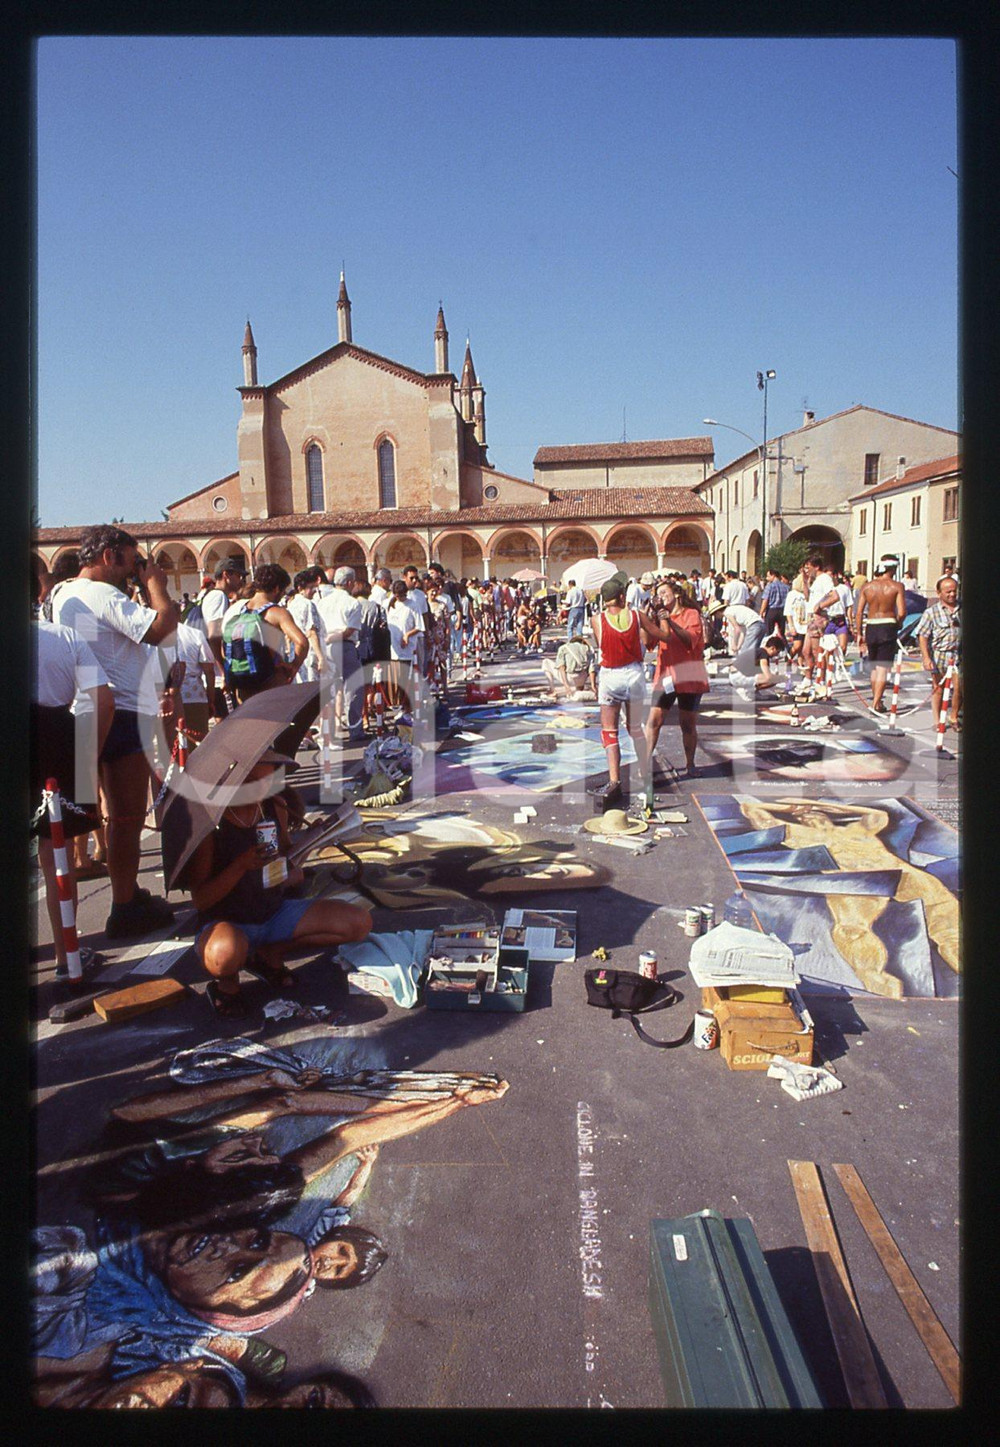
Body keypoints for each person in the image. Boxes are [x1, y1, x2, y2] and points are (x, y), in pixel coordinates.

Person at [51, 524, 179, 938]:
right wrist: (156, 585)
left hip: (87, 708)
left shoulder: (63, 593)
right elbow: (161, 627)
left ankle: (127, 892)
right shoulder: (103, 594)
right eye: (132, 559)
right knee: (125, 816)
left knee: (105, 814)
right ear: (109, 555)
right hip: (123, 711)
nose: (135, 569)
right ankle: (123, 906)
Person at [182, 752, 372, 1016]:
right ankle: (227, 985)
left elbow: (285, 856)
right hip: (227, 923)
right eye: (257, 781)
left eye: (271, 779)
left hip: (273, 911)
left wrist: (313, 838)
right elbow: (201, 900)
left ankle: (267, 954)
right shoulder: (210, 824)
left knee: (358, 922)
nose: (266, 787)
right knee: (226, 954)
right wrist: (240, 866)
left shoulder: (275, 806)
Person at [32, 570, 115, 975]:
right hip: (54, 743)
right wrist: (89, 759)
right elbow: (104, 700)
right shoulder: (63, 637)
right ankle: (66, 955)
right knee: (56, 859)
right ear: (39, 591)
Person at [590, 575, 667, 806]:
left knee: (609, 731)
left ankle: (615, 782)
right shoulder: (636, 615)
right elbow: (664, 636)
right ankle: (646, 780)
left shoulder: (597, 620)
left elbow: (603, 644)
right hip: (633, 674)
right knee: (635, 730)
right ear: (622, 597)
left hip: (611, 676)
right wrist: (663, 618)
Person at [645, 579, 709, 777]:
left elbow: (690, 640)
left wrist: (670, 621)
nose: (661, 597)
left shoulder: (691, 614)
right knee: (654, 720)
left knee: (687, 723)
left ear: (677, 595)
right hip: (665, 675)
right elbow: (648, 643)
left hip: (689, 676)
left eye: (664, 593)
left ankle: (690, 765)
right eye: (658, 594)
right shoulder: (660, 618)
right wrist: (649, 618)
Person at [221, 564, 308, 706]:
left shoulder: (236, 609)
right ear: (277, 588)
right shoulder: (276, 613)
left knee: (251, 726)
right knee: (275, 726)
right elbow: (302, 643)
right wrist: (293, 667)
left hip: (242, 687)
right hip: (271, 682)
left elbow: (225, 649)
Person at [313, 565, 365, 741]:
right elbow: (350, 630)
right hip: (344, 645)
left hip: (325, 647)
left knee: (330, 690)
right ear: (350, 582)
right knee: (354, 688)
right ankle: (355, 729)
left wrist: (326, 640)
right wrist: (333, 637)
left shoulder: (322, 602)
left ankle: (329, 731)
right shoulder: (352, 602)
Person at [160, 599, 217, 749]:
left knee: (171, 748)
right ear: (180, 613)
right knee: (198, 747)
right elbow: (209, 670)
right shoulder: (194, 634)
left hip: (166, 698)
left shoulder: (155, 636)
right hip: (195, 696)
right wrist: (210, 698)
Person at [853, 557, 906, 713]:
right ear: (893, 569)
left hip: (871, 625)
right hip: (888, 624)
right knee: (883, 666)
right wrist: (899, 623)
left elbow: (858, 612)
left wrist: (859, 633)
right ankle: (876, 702)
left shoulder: (867, 587)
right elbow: (902, 611)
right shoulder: (897, 586)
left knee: (874, 666)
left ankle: (877, 700)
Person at [916, 575, 962, 732]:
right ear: (939, 592)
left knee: (960, 687)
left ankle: (953, 717)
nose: (952, 595)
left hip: (958, 655)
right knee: (938, 688)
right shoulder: (931, 612)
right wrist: (926, 657)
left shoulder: (962, 609)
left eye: (954, 591)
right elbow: (922, 635)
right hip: (939, 655)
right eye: (948, 591)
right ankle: (937, 721)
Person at [202, 558, 250, 710]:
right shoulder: (218, 596)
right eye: (238, 575)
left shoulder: (212, 596)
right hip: (218, 674)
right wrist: (224, 672)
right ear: (226, 575)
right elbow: (214, 636)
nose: (240, 580)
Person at [714, 600, 767, 689]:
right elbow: (742, 632)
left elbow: (737, 629)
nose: (717, 617)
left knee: (746, 654)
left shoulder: (728, 612)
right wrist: (738, 646)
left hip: (754, 626)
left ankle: (744, 678)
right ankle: (752, 676)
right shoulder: (733, 609)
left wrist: (734, 643)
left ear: (718, 612)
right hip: (760, 625)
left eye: (715, 615)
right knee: (751, 653)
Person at [385, 579, 421, 709]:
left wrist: (407, 635)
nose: (400, 598)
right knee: (395, 678)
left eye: (402, 595)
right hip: (392, 647)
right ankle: (396, 703)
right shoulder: (389, 605)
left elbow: (419, 626)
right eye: (398, 595)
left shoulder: (413, 605)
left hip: (406, 648)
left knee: (405, 677)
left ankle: (407, 705)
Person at [285, 570, 324, 684]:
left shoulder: (291, 604)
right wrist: (320, 657)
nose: (313, 591)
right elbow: (311, 632)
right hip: (309, 652)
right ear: (300, 588)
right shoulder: (308, 604)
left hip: (295, 653)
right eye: (311, 587)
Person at [542, 634, 596, 699]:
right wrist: (593, 686)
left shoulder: (564, 648)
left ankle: (552, 690)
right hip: (582, 678)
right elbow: (592, 669)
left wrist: (566, 686)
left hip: (570, 677)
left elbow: (562, 667)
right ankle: (578, 688)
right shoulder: (588, 648)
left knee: (546, 662)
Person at [759, 568, 788, 638]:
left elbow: (765, 600)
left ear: (773, 575)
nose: (767, 578)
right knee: (781, 632)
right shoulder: (786, 587)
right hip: (782, 611)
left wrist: (761, 612)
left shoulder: (769, 586)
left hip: (771, 610)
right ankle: (782, 646)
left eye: (768, 576)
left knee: (769, 633)